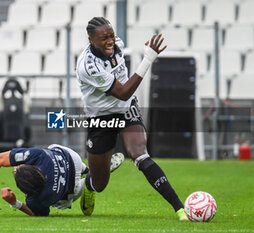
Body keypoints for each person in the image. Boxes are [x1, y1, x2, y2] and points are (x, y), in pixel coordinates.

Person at [76, 17, 188, 221]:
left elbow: (126, 98)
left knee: (139, 154)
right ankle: (90, 185)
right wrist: (147, 60)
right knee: (100, 184)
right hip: (101, 117)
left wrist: (145, 54)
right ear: (91, 41)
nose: (110, 41)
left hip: (126, 109)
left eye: (111, 35)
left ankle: (180, 209)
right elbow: (123, 91)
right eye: (104, 38)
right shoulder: (88, 66)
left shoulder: (117, 44)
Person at [0, 144, 124, 217]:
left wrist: (15, 203)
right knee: (53, 148)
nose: (15, 168)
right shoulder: (38, 156)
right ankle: (88, 170)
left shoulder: (36, 200)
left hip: (71, 191)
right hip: (72, 159)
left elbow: (39, 214)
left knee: (60, 204)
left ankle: (88, 182)